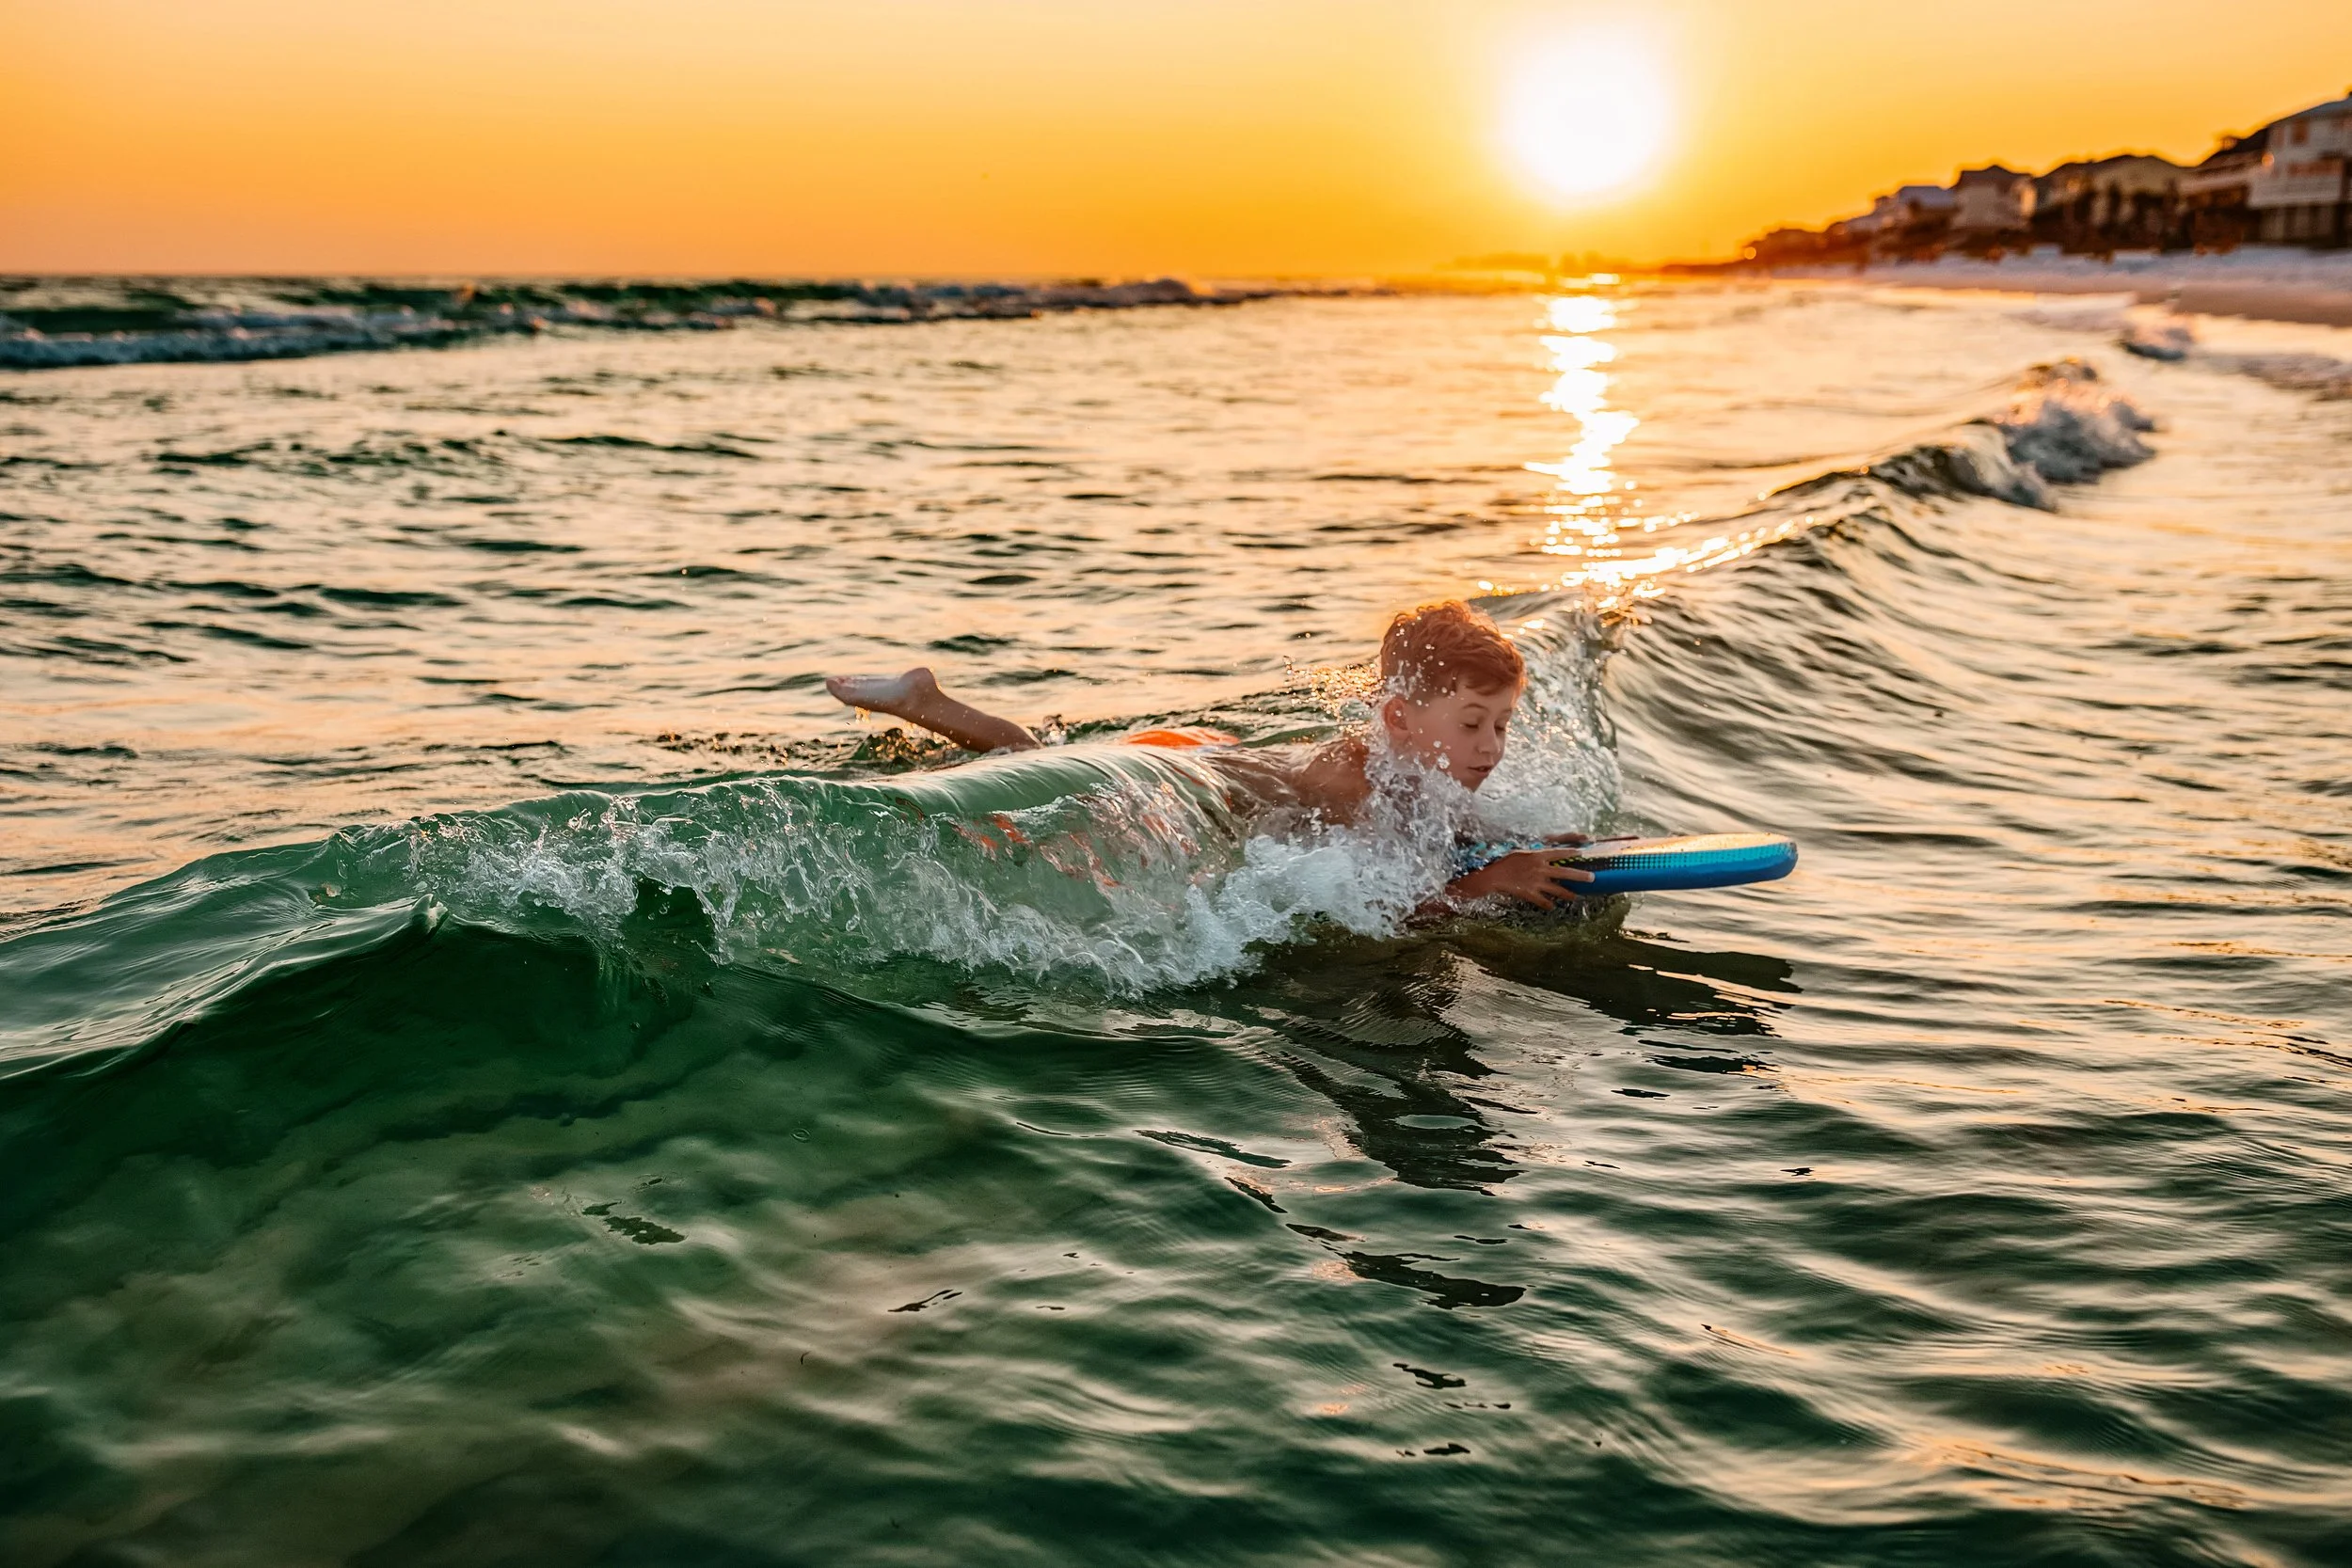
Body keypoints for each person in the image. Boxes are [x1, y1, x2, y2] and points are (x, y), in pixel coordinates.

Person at [825, 599, 1596, 911]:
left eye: (1500, 724)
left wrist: (1510, 847)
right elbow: (1379, 915)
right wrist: (1489, 882)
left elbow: (1429, 835)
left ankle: (932, 702)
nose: (1490, 747)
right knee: (1042, 787)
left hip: (1216, 757)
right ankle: (929, 703)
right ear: (1399, 718)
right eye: (1472, 724)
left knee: (1061, 757)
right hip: (1178, 781)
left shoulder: (1413, 763)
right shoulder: (1354, 783)